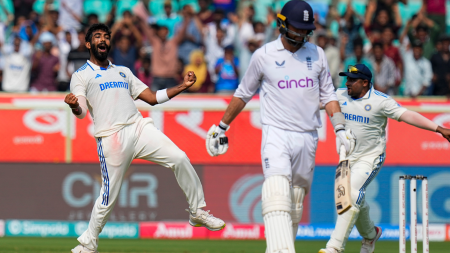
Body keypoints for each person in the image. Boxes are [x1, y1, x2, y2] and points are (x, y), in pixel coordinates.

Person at [206, 1, 355, 252]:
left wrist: (339, 127)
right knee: (276, 193)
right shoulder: (264, 56)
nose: (303, 35)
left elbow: (329, 96)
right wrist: (221, 127)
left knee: (295, 202)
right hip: (277, 134)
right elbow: (242, 94)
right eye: (297, 29)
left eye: (306, 30)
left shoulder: (317, 54)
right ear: (282, 25)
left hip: (308, 135)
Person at [66, 24, 225, 253]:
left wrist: (183, 86)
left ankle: (197, 211)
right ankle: (88, 245)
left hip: (138, 126)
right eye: (98, 37)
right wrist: (74, 106)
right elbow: (81, 111)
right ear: (89, 44)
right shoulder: (81, 75)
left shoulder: (123, 71)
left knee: (179, 158)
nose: (103, 40)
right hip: (112, 137)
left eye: (107, 37)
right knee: (108, 197)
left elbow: (151, 97)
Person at [318, 63, 450, 253]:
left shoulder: (381, 101)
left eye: (353, 80)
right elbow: (314, 104)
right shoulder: (339, 95)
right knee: (355, 198)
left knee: (352, 194)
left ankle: (334, 247)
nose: (348, 83)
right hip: (346, 158)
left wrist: (439, 128)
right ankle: (371, 235)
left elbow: (407, 115)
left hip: (370, 157)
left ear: (365, 82)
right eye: (347, 79)